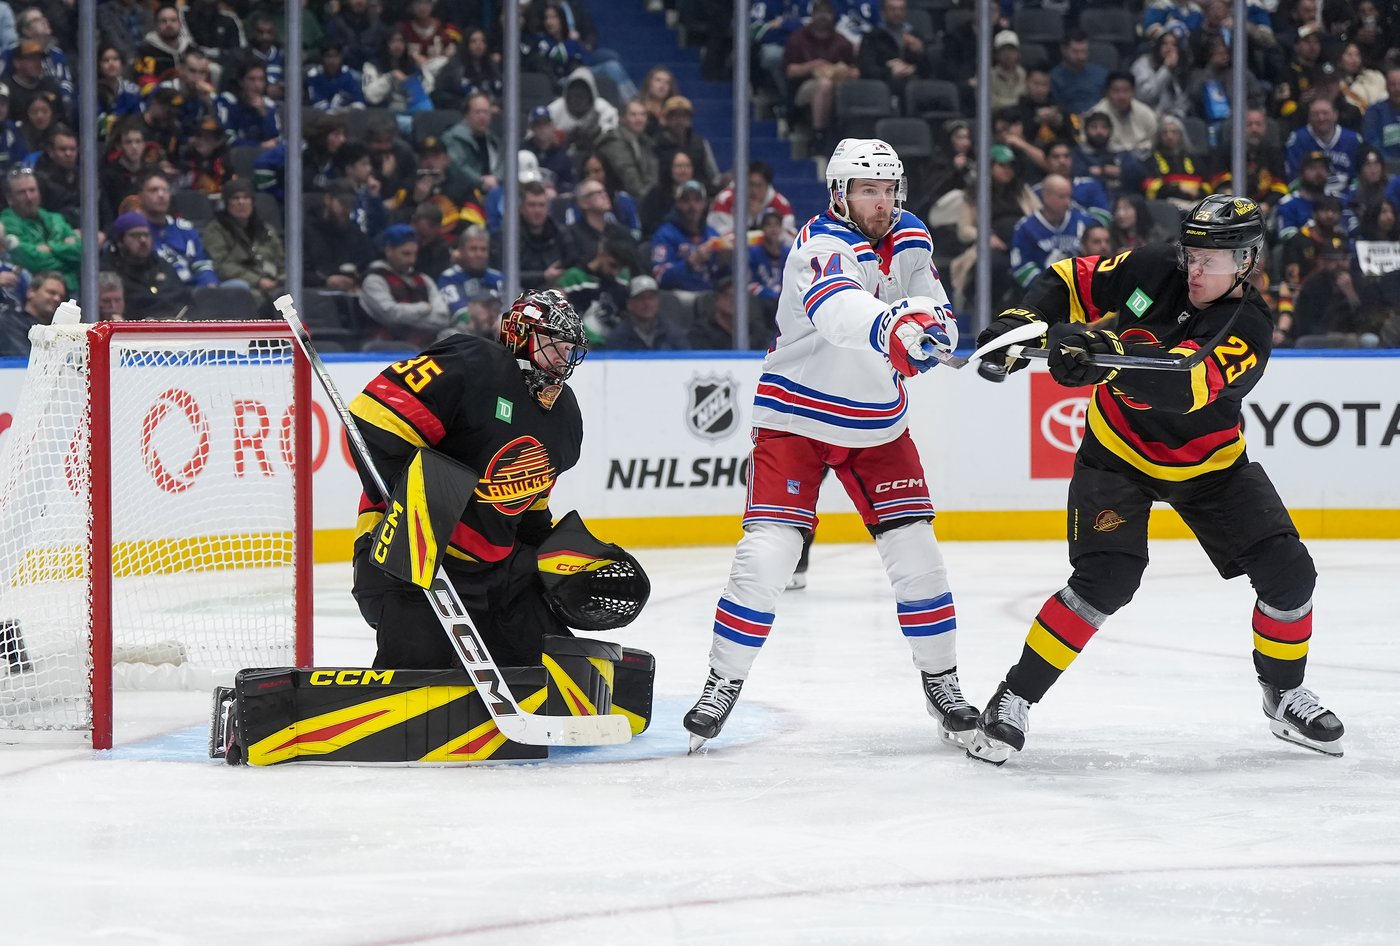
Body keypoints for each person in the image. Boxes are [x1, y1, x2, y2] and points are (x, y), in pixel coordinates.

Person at [968, 193, 1345, 765]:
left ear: (1246, 261)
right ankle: (1012, 698)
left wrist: (1102, 356)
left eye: (1210, 260)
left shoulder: (1249, 326)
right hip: (1116, 455)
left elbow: (1183, 385)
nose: (1194, 269)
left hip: (1212, 468)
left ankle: (1284, 693)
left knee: (1290, 574)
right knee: (1106, 579)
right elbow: (1070, 278)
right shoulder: (1152, 268)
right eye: (1191, 253)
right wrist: (1025, 320)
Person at [682, 138, 977, 753]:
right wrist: (897, 329)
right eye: (868, 190)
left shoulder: (913, 237)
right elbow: (839, 311)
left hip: (877, 422)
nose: (882, 201)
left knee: (918, 555)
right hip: (796, 414)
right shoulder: (820, 243)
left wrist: (938, 334)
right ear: (840, 194)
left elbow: (935, 306)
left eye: (889, 189)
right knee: (767, 555)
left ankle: (942, 681)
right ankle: (722, 681)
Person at [348, 289, 591, 668]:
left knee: (550, 669)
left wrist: (560, 559)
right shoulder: (476, 364)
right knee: (418, 674)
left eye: (568, 348)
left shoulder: (564, 413)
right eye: (552, 345)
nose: (562, 357)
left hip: (494, 573)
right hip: (409, 563)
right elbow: (372, 416)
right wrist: (414, 504)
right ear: (520, 336)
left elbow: (532, 506)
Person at [359, 223, 450, 348]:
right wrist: (423, 308)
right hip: (386, 351)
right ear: (389, 250)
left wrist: (407, 318)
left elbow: (443, 317)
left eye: (414, 254)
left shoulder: (424, 279)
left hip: (426, 351)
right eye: (405, 254)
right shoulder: (374, 281)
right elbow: (390, 315)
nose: (411, 260)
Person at [202, 179, 285, 310]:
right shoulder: (216, 230)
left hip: (275, 285)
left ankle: (299, 331)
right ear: (226, 203)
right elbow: (221, 265)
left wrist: (281, 279)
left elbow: (282, 261)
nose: (241, 202)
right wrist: (257, 281)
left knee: (293, 296)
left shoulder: (266, 229)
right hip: (245, 288)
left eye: (246, 197)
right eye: (236, 198)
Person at [0, 166, 80, 292]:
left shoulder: (55, 219)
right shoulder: (6, 223)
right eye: (21, 192)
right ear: (10, 199)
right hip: (34, 291)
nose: (29, 197)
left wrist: (51, 247)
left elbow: (80, 252)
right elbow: (34, 262)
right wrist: (64, 252)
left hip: (70, 288)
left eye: (32, 190)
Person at [99, 210, 192, 320]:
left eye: (146, 235)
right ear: (120, 240)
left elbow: (185, 299)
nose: (143, 240)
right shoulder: (108, 268)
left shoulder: (161, 264)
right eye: (135, 235)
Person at [437, 225, 504, 325]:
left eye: (483, 249)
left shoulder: (498, 277)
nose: (479, 254)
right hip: (466, 334)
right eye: (473, 249)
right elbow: (461, 314)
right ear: (461, 251)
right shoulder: (449, 278)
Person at [607, 274, 689, 350]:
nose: (647, 303)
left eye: (651, 297)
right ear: (629, 304)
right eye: (640, 298)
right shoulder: (619, 337)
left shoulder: (672, 332)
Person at [0, 268, 64, 356]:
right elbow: (25, 360)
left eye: (61, 296)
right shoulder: (9, 322)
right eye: (51, 292)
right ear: (31, 292)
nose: (57, 299)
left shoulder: (59, 331)